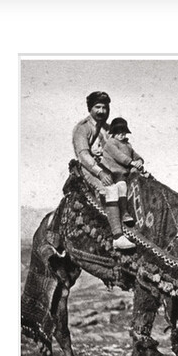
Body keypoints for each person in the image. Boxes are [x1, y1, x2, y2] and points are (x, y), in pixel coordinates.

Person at [71, 91, 135, 250]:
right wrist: (100, 172)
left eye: (105, 108)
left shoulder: (109, 129)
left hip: (110, 166)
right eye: (97, 107)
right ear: (90, 108)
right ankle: (117, 236)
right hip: (91, 168)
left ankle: (126, 216)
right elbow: (83, 154)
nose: (101, 111)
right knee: (111, 189)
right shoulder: (83, 128)